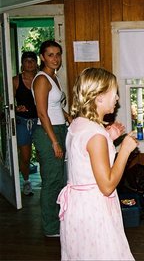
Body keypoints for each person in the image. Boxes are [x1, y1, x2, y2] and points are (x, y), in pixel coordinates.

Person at [57, 67, 137, 260]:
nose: (117, 98)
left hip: (78, 207)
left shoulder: (78, 124)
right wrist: (124, 150)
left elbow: (85, 159)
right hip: (94, 210)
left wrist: (109, 137)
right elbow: (107, 186)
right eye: (114, 93)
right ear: (99, 97)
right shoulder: (95, 134)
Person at [32, 40, 71, 237]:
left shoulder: (53, 77)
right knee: (51, 181)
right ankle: (50, 227)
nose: (55, 58)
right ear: (42, 57)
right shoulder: (41, 79)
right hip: (47, 132)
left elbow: (54, 107)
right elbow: (41, 113)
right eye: (50, 55)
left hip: (58, 128)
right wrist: (54, 141)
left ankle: (58, 219)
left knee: (59, 178)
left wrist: (68, 117)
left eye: (58, 54)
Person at [13, 51, 38, 196]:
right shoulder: (16, 80)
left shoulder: (41, 79)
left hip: (40, 121)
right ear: (22, 63)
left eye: (32, 61)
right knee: (25, 156)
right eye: (26, 61)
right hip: (22, 122)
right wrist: (16, 108)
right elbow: (7, 102)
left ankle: (48, 184)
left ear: (36, 63)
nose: (29, 63)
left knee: (43, 154)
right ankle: (27, 182)